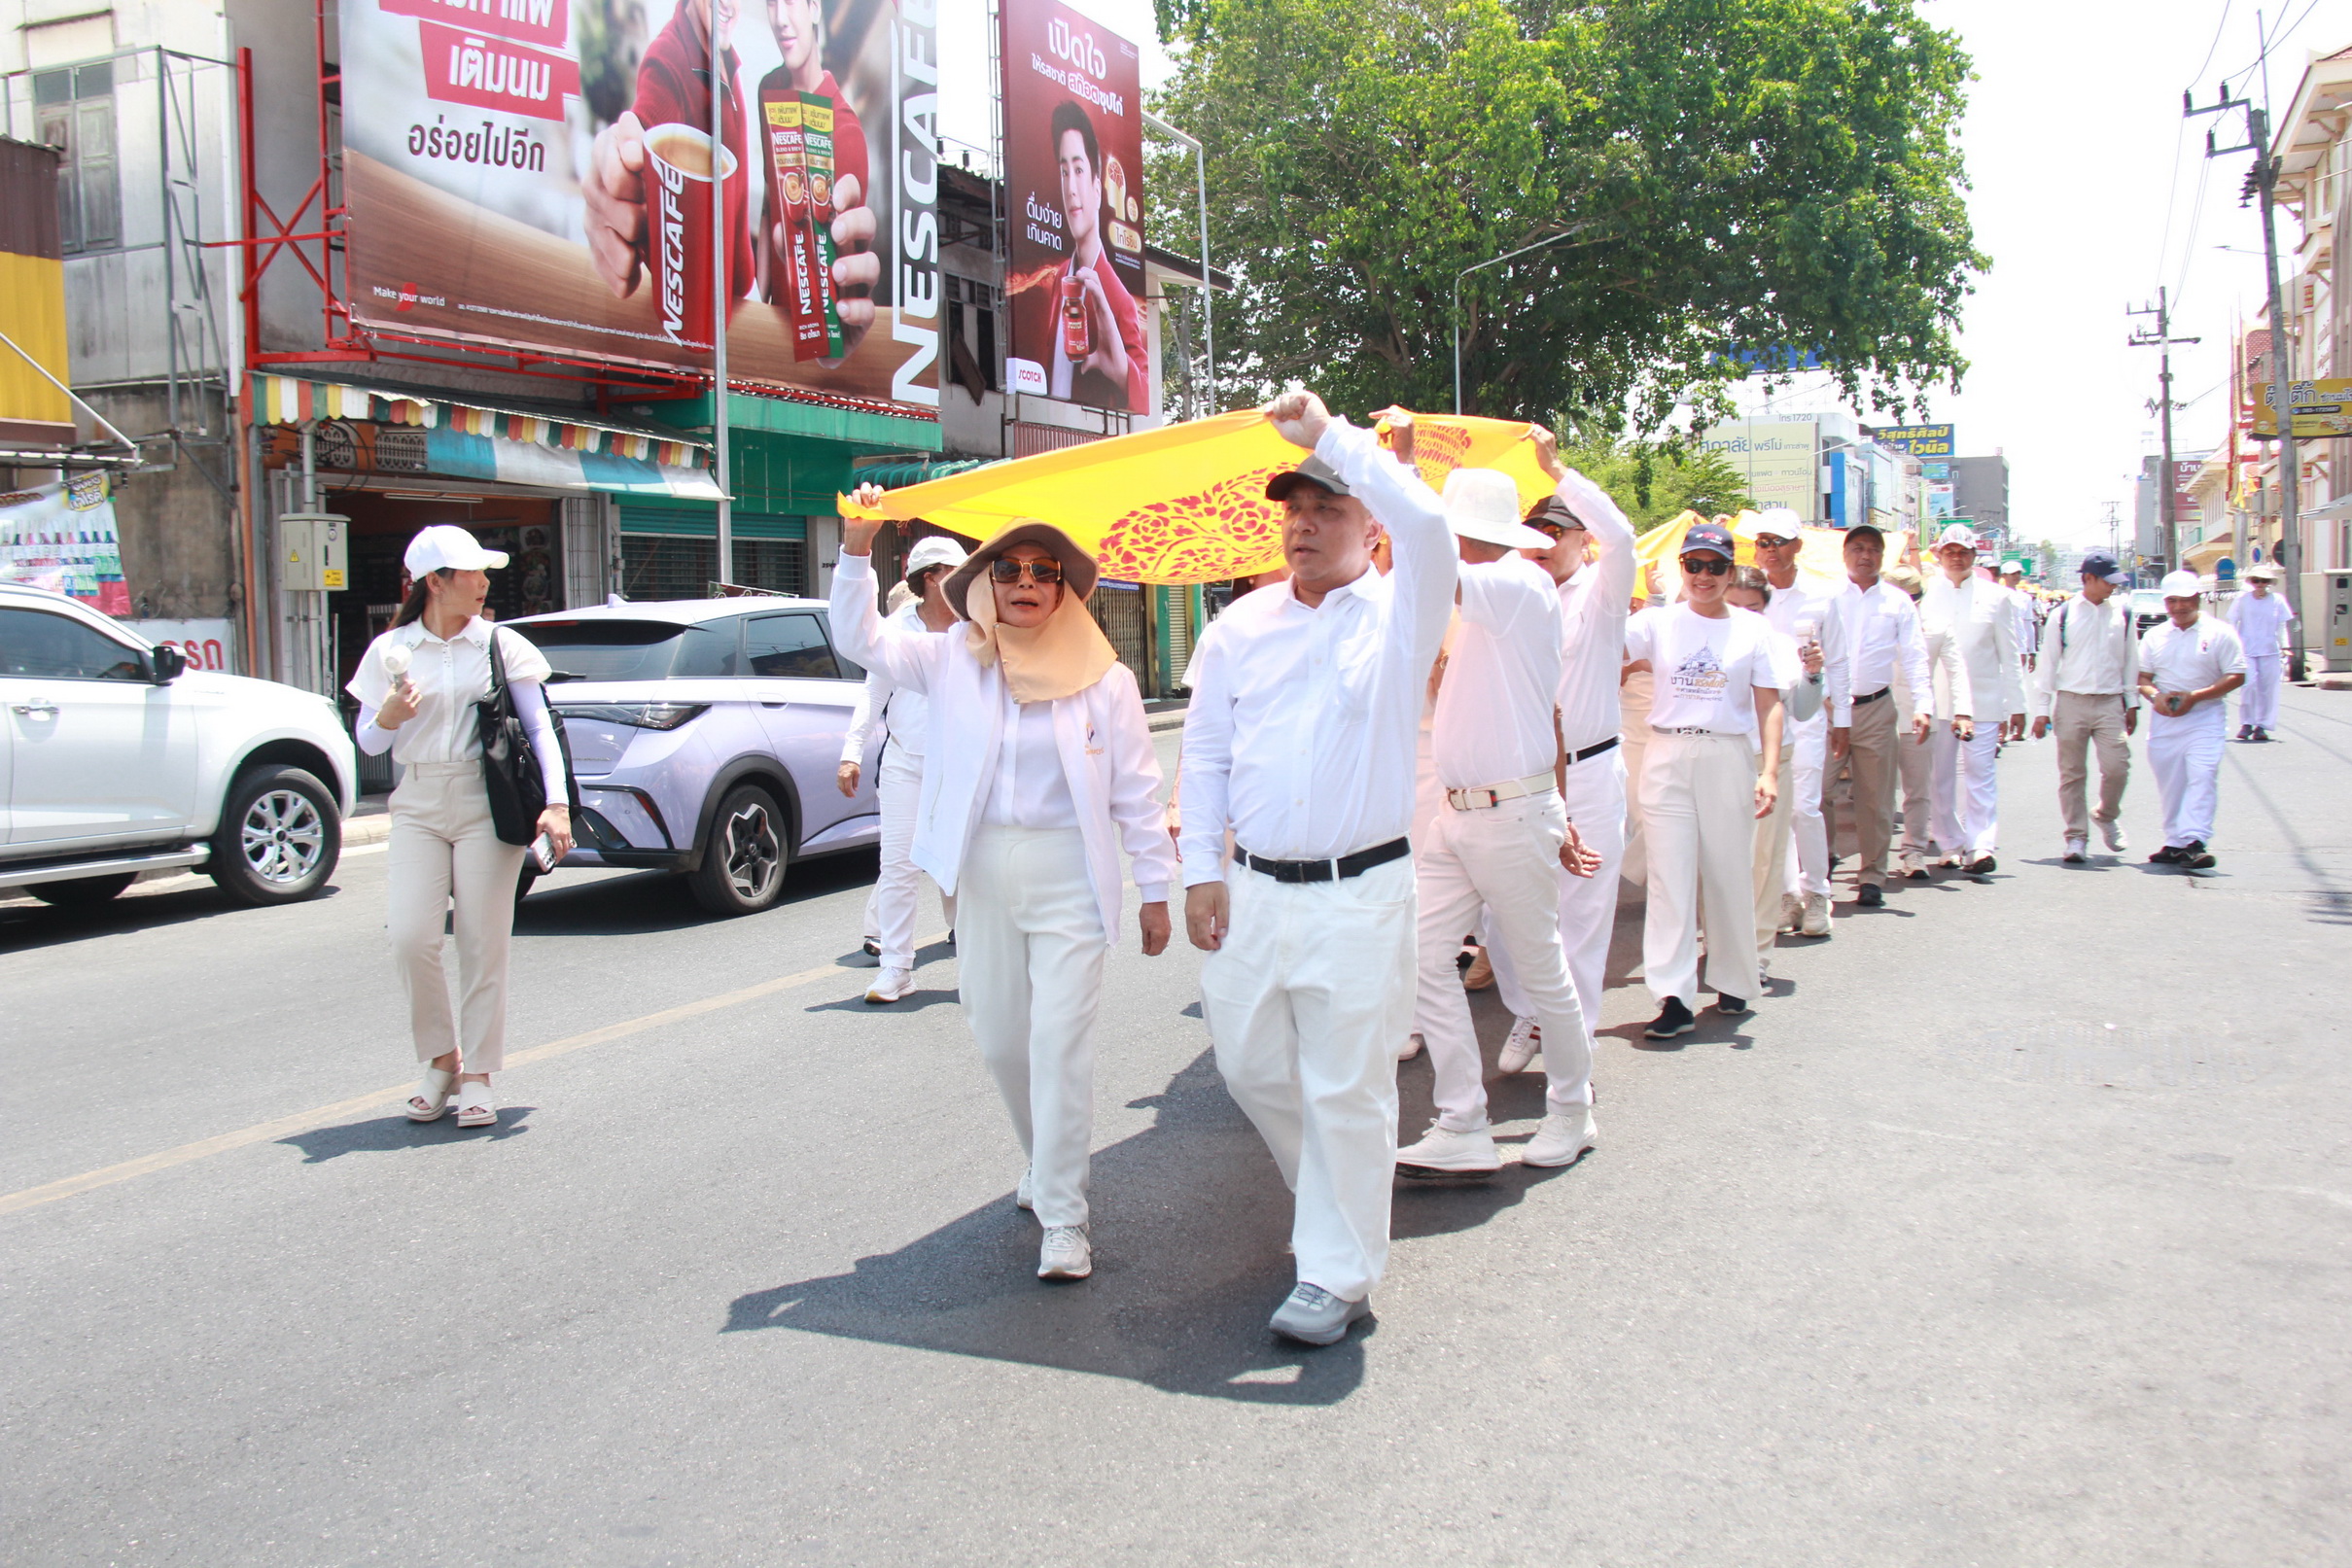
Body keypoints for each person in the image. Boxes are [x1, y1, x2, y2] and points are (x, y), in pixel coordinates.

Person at [830, 503, 1176, 1283]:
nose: (1026, 582)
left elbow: (1135, 793)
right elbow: (859, 638)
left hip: (1068, 875)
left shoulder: (1108, 679)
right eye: (1010, 569)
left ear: (1063, 589)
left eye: (1043, 572)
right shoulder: (952, 658)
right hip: (982, 872)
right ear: (984, 582)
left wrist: (1155, 887)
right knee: (998, 1036)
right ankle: (1045, 1159)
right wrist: (855, 547)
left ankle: (1064, 1214)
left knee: (1058, 1043)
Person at [1179, 390, 1455, 1346]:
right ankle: (1337, 1199)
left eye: (1327, 507)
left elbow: (1431, 529)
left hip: (1359, 893)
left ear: (1369, 523)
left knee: (1347, 1087)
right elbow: (1205, 753)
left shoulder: (1401, 614)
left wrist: (1336, 436)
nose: (1302, 524)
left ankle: (1336, 1271)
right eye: (1293, 508)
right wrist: (1199, 868)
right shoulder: (1238, 626)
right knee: (1249, 1065)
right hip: (1254, 890)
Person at [1394, 461, 1601, 1178]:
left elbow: (1427, 564)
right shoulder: (1494, 599)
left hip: (1508, 812)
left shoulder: (1517, 583)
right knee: (1422, 956)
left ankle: (1572, 1110)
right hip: (1465, 813)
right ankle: (1461, 1122)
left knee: (1541, 969)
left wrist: (1399, 473)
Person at [349, 526, 573, 1132]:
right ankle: (441, 1058)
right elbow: (368, 742)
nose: (483, 583)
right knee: (410, 937)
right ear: (435, 582)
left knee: (481, 942)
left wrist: (556, 804)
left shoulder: (501, 644)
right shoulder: (391, 650)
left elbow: (539, 727)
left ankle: (479, 1073)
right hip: (418, 800)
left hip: (485, 799)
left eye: (484, 572)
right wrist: (387, 717)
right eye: (472, 572)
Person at [1485, 433, 1638, 1089]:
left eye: (1558, 531)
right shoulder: (1514, 595)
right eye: (1535, 532)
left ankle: (1573, 1043)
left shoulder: (1601, 595)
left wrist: (1557, 472)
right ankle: (1531, 1011)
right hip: (1521, 775)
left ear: (1582, 540)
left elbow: (1623, 538)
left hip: (1590, 770)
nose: (1545, 542)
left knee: (1582, 912)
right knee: (1503, 909)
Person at [1623, 521, 1787, 1038]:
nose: (1704, 575)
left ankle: (1734, 977)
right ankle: (1672, 996)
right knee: (1669, 878)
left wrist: (1769, 771)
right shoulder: (1657, 622)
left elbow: (1770, 703)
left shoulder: (1753, 630)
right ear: (1682, 568)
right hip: (1667, 752)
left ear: (1730, 572)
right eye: (1694, 565)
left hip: (1726, 753)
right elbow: (1601, 646)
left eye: (1715, 567)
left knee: (1727, 871)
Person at [839, 533, 966, 1002]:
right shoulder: (895, 628)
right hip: (905, 763)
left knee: (966, 867)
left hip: (963, 765)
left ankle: (978, 964)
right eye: (955, 572)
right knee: (897, 866)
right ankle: (895, 967)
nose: (966, 580)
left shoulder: (977, 624)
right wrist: (852, 751)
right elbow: (875, 691)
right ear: (931, 578)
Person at [581, 0, 755, 310]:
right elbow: (641, 130)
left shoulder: (724, 53)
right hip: (700, 308)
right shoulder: (668, 57)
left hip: (741, 301)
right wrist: (618, 169)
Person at [1740, 508, 1849, 938]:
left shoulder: (1823, 596)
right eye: (1763, 542)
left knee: (1804, 807)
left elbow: (1838, 661)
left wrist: (1843, 718)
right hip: (1760, 720)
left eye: (1778, 542)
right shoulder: (1748, 595)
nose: (1770, 550)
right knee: (1772, 810)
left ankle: (1817, 891)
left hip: (1806, 715)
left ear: (1797, 546)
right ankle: (1787, 895)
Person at [754, 0, 880, 363]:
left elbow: (842, 267)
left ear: (814, 8)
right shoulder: (769, 88)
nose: (780, 19)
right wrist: (757, 306)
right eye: (771, 4)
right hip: (768, 336)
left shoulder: (845, 132)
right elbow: (769, 202)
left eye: (791, 3)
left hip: (812, 345)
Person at [1009, 102, 1146, 411]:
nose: (1071, 188)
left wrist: (1123, 372)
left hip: (1092, 434)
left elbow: (1146, 389)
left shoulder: (1118, 299)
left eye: (1079, 170)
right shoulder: (1061, 277)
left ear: (1097, 188)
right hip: (1047, 429)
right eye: (1064, 171)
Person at [1725, 567, 1825, 985]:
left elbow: (1801, 708)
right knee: (1721, 862)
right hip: (1720, 759)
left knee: (1764, 863)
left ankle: (1757, 954)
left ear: (1765, 609)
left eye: (1752, 607)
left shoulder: (1780, 644)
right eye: (1734, 605)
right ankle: (1723, 945)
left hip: (1770, 760)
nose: (1743, 614)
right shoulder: (1706, 639)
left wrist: (1814, 675)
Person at [1830, 524, 1937, 907]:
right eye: (1858, 548)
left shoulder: (1898, 602)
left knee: (1875, 798)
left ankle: (1873, 874)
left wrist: (1923, 705)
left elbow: (1914, 655)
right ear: (1845, 553)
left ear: (1882, 556)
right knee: (1817, 792)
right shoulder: (1827, 597)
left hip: (1876, 708)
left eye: (1873, 549)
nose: (1865, 555)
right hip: (1830, 709)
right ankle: (1821, 862)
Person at [1919, 524, 2019, 874]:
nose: (1957, 558)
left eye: (1964, 552)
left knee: (1981, 775)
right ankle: (1949, 842)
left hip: (1983, 701)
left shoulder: (1997, 597)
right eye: (1950, 552)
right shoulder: (1928, 593)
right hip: (1938, 700)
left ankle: (1981, 845)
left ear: (1975, 555)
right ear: (1939, 555)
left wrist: (2017, 706)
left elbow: (2010, 656)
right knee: (1939, 777)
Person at [2030, 551, 2140, 862]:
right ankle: (2076, 836)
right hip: (2072, 702)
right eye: (2108, 581)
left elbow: (2131, 660)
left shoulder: (2123, 614)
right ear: (2088, 579)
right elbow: (2048, 664)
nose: (2113, 587)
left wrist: (2131, 702)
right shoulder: (2063, 615)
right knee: (2072, 774)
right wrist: (2041, 710)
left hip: (2110, 702)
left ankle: (2106, 814)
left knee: (2118, 767)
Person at [2138, 570, 2245, 872]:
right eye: (2172, 601)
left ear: (2197, 599)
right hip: (2165, 720)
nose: (2179, 607)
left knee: (2202, 774)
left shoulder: (2220, 632)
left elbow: (2237, 674)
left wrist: (2195, 697)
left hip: (2205, 717)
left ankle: (2195, 840)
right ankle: (2175, 843)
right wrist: (2155, 697)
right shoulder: (2155, 636)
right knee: (2171, 782)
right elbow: (2143, 677)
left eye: (2185, 600)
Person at [1883, 567, 1938, 879]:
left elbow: (1949, 670)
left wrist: (1928, 708)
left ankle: (1914, 851)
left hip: (1918, 716)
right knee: (1877, 794)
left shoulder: (1935, 625)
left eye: (1914, 596)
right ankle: (1875, 859)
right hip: (1878, 716)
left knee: (1918, 790)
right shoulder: (1871, 620)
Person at [2228, 565, 2296, 741]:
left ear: (2269, 583)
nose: (2260, 584)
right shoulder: (2242, 600)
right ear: (2251, 582)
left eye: (2263, 581)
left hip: (2270, 650)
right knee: (2249, 685)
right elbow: (2233, 622)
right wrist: (2232, 645)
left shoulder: (2277, 600)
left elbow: (2281, 625)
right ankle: (2247, 723)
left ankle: (2262, 725)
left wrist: (2285, 646)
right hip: (2247, 649)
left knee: (2268, 689)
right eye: (2256, 580)